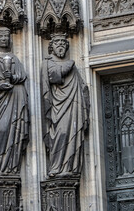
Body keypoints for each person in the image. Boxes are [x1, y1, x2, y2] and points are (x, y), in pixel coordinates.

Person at [0, 27, 30, 177]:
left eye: (6, 36)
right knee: (1, 129)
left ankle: (10, 165)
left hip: (16, 97)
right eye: (0, 36)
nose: (3, 39)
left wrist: (13, 78)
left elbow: (22, 75)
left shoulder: (14, 58)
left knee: (15, 130)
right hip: (0, 98)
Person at [42, 33, 90, 178]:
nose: (61, 46)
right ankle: (57, 166)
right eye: (57, 44)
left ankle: (70, 166)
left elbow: (82, 87)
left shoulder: (73, 67)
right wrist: (68, 65)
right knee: (61, 133)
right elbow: (55, 76)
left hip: (74, 108)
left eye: (63, 43)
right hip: (58, 108)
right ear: (51, 48)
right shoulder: (48, 63)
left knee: (73, 134)